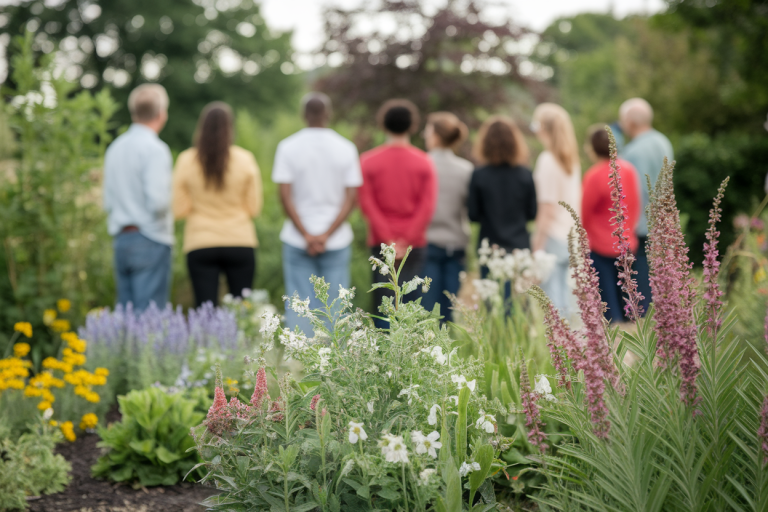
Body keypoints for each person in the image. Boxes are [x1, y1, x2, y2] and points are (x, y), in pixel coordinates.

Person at [272, 93, 362, 335]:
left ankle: (300, 356)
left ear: (303, 115)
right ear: (328, 114)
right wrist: (325, 235)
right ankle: (336, 357)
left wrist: (307, 235)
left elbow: (284, 196)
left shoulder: (287, 147)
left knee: (299, 306)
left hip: (296, 239)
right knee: (336, 308)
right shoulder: (346, 148)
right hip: (337, 240)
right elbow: (351, 199)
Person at [172, 102, 263, 307]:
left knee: (205, 310)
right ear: (230, 127)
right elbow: (254, 208)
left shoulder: (186, 160)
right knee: (242, 311)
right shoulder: (245, 159)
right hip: (240, 240)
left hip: (200, 242)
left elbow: (179, 209)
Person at [359, 99, 437, 328]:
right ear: (413, 126)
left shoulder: (367, 161)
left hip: (381, 243)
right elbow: (427, 206)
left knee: (384, 306)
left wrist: (389, 241)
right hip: (414, 244)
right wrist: (406, 240)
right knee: (413, 307)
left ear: (382, 124)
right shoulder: (425, 162)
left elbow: (367, 204)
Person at [103, 84, 173, 311]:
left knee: (126, 316)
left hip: (121, 238)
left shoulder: (115, 148)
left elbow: (107, 201)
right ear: (161, 113)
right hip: (150, 237)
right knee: (149, 318)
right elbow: (158, 202)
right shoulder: (155, 149)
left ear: (134, 112)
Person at [619, 98, 674, 313]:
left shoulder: (633, 151)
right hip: (663, 220)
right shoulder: (663, 141)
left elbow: (632, 192)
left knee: (641, 273)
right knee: (661, 273)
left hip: (640, 223)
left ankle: (644, 317)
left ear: (630, 122)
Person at [468, 115, 537, 287]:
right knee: (517, 297)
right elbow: (532, 213)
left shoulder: (479, 175)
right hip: (518, 247)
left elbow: (473, 215)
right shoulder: (525, 174)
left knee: (491, 297)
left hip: (489, 248)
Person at [582, 126, 642, 322]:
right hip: (626, 241)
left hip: (601, 246)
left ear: (593, 148)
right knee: (630, 304)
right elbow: (636, 203)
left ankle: (616, 336)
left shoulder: (594, 175)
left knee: (608, 306)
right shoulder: (629, 169)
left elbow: (584, 213)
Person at [530, 103, 582, 318]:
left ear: (543, 127)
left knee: (551, 299)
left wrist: (537, 244)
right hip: (570, 235)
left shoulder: (547, 160)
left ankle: (559, 338)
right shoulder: (571, 160)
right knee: (563, 296)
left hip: (552, 235)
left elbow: (547, 208)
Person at [421, 112, 473, 323]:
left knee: (427, 309)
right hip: (456, 243)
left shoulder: (422, 164)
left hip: (427, 242)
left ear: (435, 135)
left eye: (427, 130)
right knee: (449, 309)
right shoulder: (466, 169)